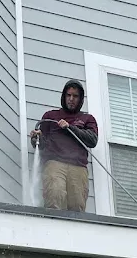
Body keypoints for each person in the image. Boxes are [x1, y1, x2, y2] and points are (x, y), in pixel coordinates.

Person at [30, 80, 98, 211]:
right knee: (54, 197)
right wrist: (36, 138)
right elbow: (41, 145)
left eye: (75, 96)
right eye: (68, 95)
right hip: (54, 164)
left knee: (77, 206)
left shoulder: (87, 119)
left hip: (78, 167)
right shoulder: (50, 116)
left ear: (81, 99)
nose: (71, 99)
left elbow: (92, 140)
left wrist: (70, 128)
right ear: (64, 96)